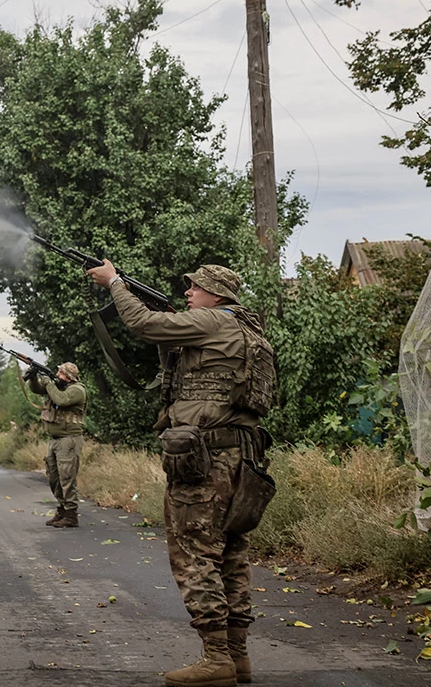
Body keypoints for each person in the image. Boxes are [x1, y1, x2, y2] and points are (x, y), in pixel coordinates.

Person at [88, 262, 275, 687]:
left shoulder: (211, 321)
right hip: (242, 457)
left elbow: (144, 324)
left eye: (195, 287)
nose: (188, 292)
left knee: (194, 554)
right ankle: (238, 656)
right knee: (230, 553)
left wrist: (114, 282)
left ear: (216, 294)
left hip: (207, 461)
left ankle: (216, 659)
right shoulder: (249, 329)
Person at [26, 361, 87, 529]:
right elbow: (38, 390)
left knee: (67, 477)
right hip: (54, 439)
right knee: (54, 477)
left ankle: (71, 514)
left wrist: (48, 381)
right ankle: (61, 509)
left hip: (69, 440)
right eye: (57, 372)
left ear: (69, 377)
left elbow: (61, 399)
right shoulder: (57, 387)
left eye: (60, 373)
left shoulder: (77, 390)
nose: (57, 375)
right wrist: (33, 378)